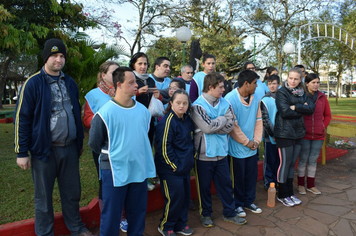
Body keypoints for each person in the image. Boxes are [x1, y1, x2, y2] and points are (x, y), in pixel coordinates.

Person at [14, 38, 94, 236]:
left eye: (61, 56)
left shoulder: (70, 82)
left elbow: (76, 112)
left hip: (69, 148)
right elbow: (22, 119)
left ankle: (76, 228)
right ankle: (45, 233)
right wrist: (21, 152)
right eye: (54, 55)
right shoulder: (33, 83)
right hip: (44, 151)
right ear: (46, 57)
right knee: (43, 198)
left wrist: (79, 143)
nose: (58, 60)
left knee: (72, 193)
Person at [89, 67, 156, 236]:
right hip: (113, 170)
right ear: (119, 84)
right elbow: (95, 144)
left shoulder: (143, 111)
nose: (136, 85)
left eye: (136, 82)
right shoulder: (104, 113)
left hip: (138, 169)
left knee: (138, 213)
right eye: (131, 82)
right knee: (111, 216)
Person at [191, 72, 247, 228]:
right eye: (221, 87)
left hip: (222, 153)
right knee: (204, 188)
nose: (224, 89)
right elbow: (207, 128)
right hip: (203, 155)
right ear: (211, 87)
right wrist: (222, 119)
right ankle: (206, 215)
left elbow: (231, 125)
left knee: (226, 186)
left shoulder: (225, 103)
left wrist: (217, 124)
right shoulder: (197, 105)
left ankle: (229, 213)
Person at [83, 61, 129, 232]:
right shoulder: (93, 95)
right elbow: (87, 119)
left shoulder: (125, 91)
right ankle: (111, 218)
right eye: (113, 72)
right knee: (106, 181)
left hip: (125, 144)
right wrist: (101, 120)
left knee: (125, 179)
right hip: (104, 146)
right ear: (103, 75)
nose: (117, 74)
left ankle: (123, 215)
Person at [155, 90, 195, 236]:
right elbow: (164, 148)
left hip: (184, 168)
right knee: (174, 199)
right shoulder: (167, 122)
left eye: (185, 103)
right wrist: (174, 166)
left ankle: (180, 224)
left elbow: (190, 142)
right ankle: (166, 226)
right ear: (171, 103)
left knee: (184, 198)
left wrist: (191, 158)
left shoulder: (187, 120)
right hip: (171, 170)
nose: (181, 106)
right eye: (178, 102)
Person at [274, 67, 315, 207]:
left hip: (298, 133)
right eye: (290, 78)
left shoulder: (302, 93)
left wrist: (295, 107)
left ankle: (290, 193)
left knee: (292, 164)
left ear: (300, 80)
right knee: (285, 164)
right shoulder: (281, 92)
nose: (292, 81)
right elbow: (284, 112)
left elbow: (310, 109)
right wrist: (300, 108)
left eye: (296, 79)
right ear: (287, 77)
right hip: (284, 133)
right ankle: (282, 194)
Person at [225, 69, 263, 218]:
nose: (256, 87)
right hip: (237, 148)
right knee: (238, 178)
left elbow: (258, 121)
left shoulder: (255, 98)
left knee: (251, 176)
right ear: (246, 83)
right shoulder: (230, 99)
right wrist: (247, 142)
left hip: (252, 147)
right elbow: (233, 127)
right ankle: (237, 204)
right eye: (254, 83)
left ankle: (249, 201)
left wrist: (257, 141)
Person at [297, 73, 331, 195]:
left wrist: (323, 127)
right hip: (304, 135)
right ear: (306, 83)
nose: (316, 85)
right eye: (313, 82)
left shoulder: (322, 97)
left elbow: (328, 115)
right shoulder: (301, 96)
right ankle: (301, 184)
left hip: (318, 135)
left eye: (318, 82)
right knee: (303, 159)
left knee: (313, 160)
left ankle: (311, 185)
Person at [260, 75, 281, 190]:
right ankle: (268, 183)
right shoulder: (265, 100)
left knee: (279, 161)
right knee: (269, 161)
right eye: (269, 83)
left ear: (279, 84)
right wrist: (273, 134)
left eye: (274, 83)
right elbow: (266, 120)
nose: (272, 86)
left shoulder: (283, 98)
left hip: (282, 136)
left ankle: (277, 181)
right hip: (270, 137)